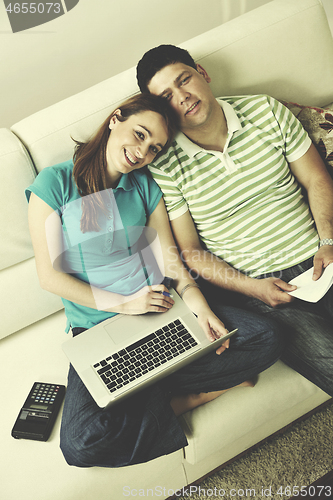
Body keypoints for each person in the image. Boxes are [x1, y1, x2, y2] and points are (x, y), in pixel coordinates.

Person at [26, 93, 283, 468]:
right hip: (99, 331)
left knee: (268, 336)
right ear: (116, 119)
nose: (142, 151)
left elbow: (172, 261)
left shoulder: (145, 186)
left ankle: (145, 384)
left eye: (154, 147)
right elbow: (49, 277)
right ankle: (190, 396)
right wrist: (124, 304)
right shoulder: (55, 182)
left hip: (162, 313)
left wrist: (199, 307)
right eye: (140, 134)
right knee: (81, 443)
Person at [136, 44, 333, 398]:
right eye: (167, 97)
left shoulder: (265, 109)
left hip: (322, 259)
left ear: (203, 74)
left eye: (185, 80)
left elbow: (317, 179)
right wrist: (251, 288)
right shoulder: (165, 164)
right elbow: (192, 252)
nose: (182, 97)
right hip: (260, 290)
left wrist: (328, 242)